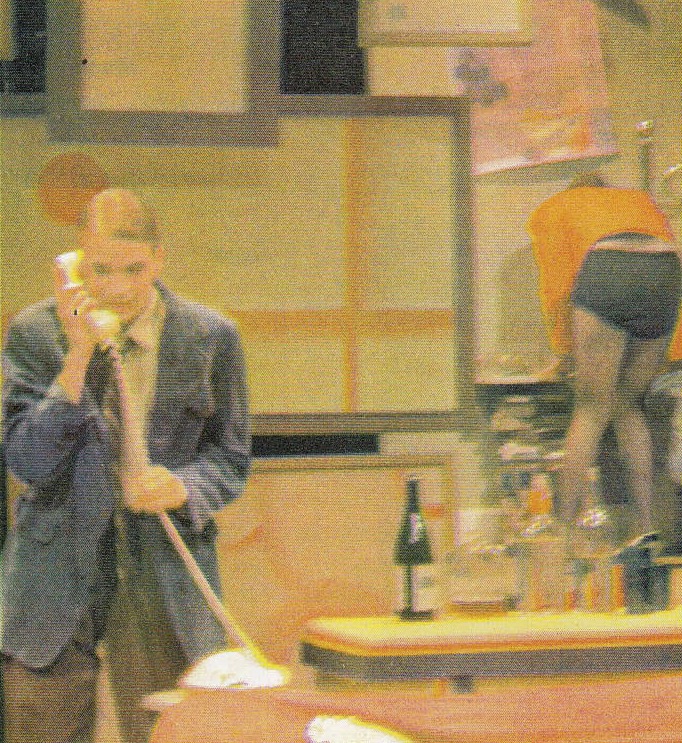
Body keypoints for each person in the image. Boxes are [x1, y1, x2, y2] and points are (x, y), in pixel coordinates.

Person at [2, 188, 251, 743]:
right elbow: (26, 461)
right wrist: (77, 355)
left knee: (165, 731)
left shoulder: (210, 336)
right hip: (52, 572)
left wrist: (183, 487)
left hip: (161, 568)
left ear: (159, 259)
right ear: (76, 262)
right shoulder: (34, 332)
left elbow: (231, 457)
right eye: (100, 270)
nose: (116, 288)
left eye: (134, 270)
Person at [527, 173, 681, 546]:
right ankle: (645, 528)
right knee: (628, 405)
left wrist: (565, 350)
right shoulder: (639, 201)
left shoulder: (556, 207)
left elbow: (558, 283)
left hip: (609, 268)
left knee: (591, 410)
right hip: (665, 272)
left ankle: (564, 532)